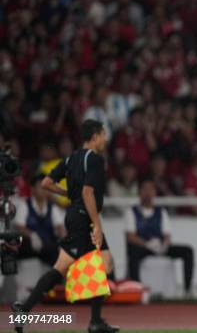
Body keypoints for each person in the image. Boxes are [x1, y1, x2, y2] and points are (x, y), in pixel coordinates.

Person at [12, 119, 119, 333]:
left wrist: (68, 194)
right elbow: (88, 193)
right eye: (104, 135)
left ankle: (24, 309)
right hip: (85, 218)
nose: (105, 139)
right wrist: (96, 225)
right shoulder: (96, 160)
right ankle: (94, 322)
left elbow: (46, 183)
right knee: (98, 265)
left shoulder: (70, 159)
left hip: (74, 215)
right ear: (96, 136)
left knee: (98, 264)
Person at [125, 179, 194, 298]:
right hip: (143, 247)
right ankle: (137, 289)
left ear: (155, 192)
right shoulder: (131, 212)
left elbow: (167, 235)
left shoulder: (161, 212)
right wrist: (147, 244)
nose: (147, 193)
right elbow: (130, 237)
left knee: (187, 251)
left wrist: (164, 245)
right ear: (139, 192)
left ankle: (187, 290)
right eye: (144, 189)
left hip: (159, 246)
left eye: (150, 189)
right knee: (133, 252)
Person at [14, 174, 66, 267]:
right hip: (29, 246)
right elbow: (19, 227)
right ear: (33, 189)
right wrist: (32, 235)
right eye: (41, 187)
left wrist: (64, 239)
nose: (44, 191)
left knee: (59, 252)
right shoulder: (25, 205)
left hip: (47, 246)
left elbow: (59, 227)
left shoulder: (52, 207)